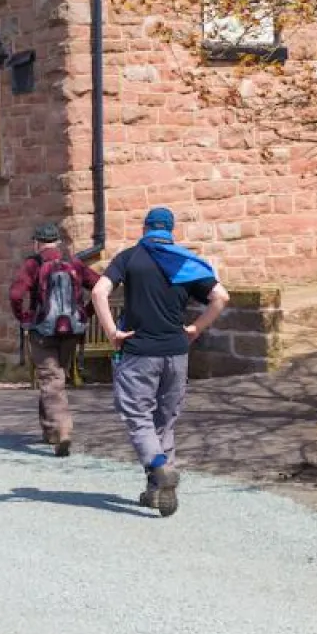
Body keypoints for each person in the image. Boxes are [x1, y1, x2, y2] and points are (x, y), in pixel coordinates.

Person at [91, 207, 229, 517]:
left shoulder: (129, 258)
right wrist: (195, 328)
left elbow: (99, 291)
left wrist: (112, 331)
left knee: (137, 414)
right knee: (164, 420)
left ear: (145, 229)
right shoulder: (185, 262)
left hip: (139, 351)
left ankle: (158, 466)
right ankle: (156, 492)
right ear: (171, 230)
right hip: (176, 353)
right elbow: (221, 297)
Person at [8, 222, 100, 457]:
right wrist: (85, 312)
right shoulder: (74, 262)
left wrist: (24, 317)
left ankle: (62, 431)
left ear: (37, 242)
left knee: (51, 380)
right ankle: (49, 430)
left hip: (43, 330)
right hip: (71, 331)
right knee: (55, 379)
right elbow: (101, 287)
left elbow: (16, 294)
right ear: (58, 241)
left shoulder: (34, 264)